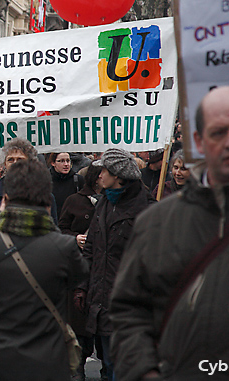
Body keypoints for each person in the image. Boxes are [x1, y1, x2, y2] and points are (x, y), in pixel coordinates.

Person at [111, 87, 229, 381]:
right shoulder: (156, 223)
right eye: (218, 132)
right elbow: (128, 312)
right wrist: (145, 371)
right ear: (198, 141)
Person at [0, 160, 89, 381]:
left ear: (6, 198)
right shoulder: (63, 247)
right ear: (46, 200)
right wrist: (46, 222)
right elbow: (80, 273)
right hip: (45, 362)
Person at [74, 148, 154, 381]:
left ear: (118, 176)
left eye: (104, 171)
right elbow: (90, 250)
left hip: (131, 302)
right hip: (101, 299)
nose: (100, 175)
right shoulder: (103, 204)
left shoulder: (146, 209)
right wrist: (82, 286)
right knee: (109, 362)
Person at [59, 163, 104, 381]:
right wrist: (74, 238)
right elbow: (62, 228)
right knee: (77, 317)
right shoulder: (74, 200)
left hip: (103, 267)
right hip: (78, 267)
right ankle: (77, 366)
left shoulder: (111, 202)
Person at [0, 138, 39, 220]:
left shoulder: (44, 196)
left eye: (20, 159)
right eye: (11, 160)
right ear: (4, 164)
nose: (15, 163)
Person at [49, 151, 81, 224]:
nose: (66, 164)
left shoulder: (78, 180)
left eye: (68, 161)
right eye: (61, 161)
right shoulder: (45, 180)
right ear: (53, 163)